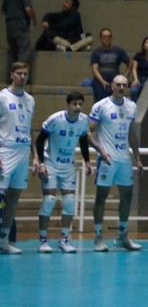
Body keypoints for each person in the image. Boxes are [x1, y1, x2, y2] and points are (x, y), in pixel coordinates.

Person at [34, 90, 94, 253]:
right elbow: (39, 141)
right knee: (49, 200)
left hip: (67, 166)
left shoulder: (83, 121)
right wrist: (41, 162)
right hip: (50, 164)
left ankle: (64, 239)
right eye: (74, 104)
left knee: (69, 201)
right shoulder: (55, 120)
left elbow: (83, 141)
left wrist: (87, 161)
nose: (78, 107)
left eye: (80, 104)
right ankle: (43, 240)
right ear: (67, 105)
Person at [89, 74, 143, 251]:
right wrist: (100, 151)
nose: (121, 88)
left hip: (124, 159)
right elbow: (88, 131)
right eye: (118, 84)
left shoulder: (131, 106)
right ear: (112, 86)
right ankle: (98, 236)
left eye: (124, 85)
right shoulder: (101, 106)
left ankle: (122, 235)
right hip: (107, 159)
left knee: (127, 196)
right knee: (101, 197)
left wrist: (138, 158)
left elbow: (132, 135)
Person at [0, 62, 35, 254]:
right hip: (5, 151)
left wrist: (36, 156)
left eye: (25, 74)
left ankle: (4, 240)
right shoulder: (2, 97)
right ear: (11, 75)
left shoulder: (30, 100)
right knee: (0, 198)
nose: (22, 77)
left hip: (23, 152)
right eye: (19, 73)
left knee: (13, 199)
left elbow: (30, 129)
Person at [88, 28, 135, 102]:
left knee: (115, 101)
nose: (107, 38)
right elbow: (95, 69)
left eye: (109, 36)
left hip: (114, 80)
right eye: (104, 36)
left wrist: (124, 77)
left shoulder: (119, 51)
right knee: (100, 102)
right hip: (100, 81)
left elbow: (129, 63)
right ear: (100, 38)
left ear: (111, 38)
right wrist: (102, 81)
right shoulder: (96, 52)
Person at [2, 0, 35, 70]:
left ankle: (11, 75)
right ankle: (21, 74)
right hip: (21, 25)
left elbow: (4, 11)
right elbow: (28, 9)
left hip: (10, 26)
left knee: (12, 52)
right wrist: (34, 19)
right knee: (24, 51)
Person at [131, 36, 148, 102]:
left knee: (145, 90)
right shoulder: (138, 55)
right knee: (134, 90)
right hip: (139, 78)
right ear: (143, 45)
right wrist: (135, 79)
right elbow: (134, 68)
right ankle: (134, 106)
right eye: (147, 43)